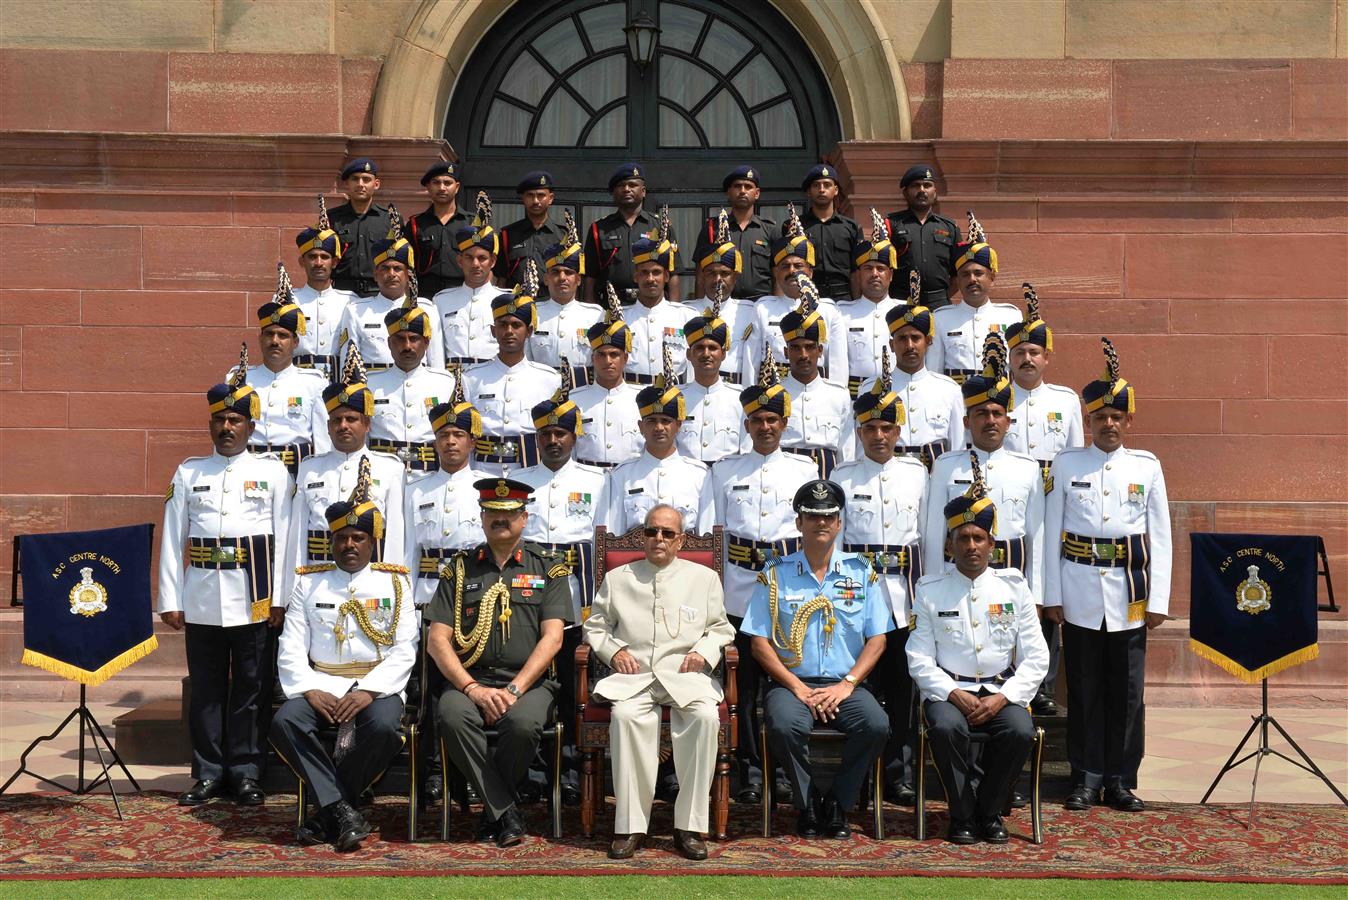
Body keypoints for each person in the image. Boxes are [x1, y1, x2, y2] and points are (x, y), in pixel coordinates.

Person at [159, 347, 291, 808]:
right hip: (202, 595)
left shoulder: (272, 473)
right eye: (220, 420)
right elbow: (173, 538)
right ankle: (209, 771)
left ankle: (248, 770)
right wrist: (169, 598)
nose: (227, 428)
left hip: (254, 595)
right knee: (207, 691)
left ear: (251, 427)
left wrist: (281, 597)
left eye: (236, 421)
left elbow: (287, 538)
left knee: (251, 691)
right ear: (211, 424)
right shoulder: (189, 471)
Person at [1044, 339, 1171, 813]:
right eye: (1100, 418)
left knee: (1128, 692)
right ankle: (1084, 775)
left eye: (1117, 417)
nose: (1109, 424)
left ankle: (1120, 779)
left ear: (1128, 421)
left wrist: (1159, 599)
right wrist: (1051, 595)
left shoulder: (1147, 466)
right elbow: (1051, 532)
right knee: (1083, 689)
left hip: (1130, 594)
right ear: (1089, 422)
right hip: (1077, 590)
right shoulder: (1067, 464)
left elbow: (1161, 536)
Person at [270, 457, 417, 851]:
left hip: (376, 685)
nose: (349, 545)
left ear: (373, 543)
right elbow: (291, 646)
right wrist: (307, 689)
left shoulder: (396, 583)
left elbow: (405, 649)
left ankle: (327, 811)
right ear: (330, 541)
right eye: (342, 538)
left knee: (386, 728)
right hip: (321, 682)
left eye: (358, 538)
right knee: (285, 722)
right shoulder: (308, 584)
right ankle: (343, 810)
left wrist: (368, 691)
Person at [906, 453, 1049, 844]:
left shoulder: (1013, 588)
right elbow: (918, 657)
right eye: (962, 538)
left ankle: (988, 810)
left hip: (1001, 691)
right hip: (949, 693)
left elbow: (1037, 657)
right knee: (946, 726)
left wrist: (1005, 698)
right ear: (949, 545)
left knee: (1020, 730)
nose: (971, 546)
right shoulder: (930, 591)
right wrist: (952, 693)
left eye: (978, 538)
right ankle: (962, 813)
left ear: (991, 544)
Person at [584, 504, 736, 861]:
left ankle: (689, 827)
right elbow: (596, 626)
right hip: (634, 677)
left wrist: (705, 651)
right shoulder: (619, 578)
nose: (659, 539)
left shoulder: (704, 579)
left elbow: (720, 628)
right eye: (652, 531)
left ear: (680, 540)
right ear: (643, 535)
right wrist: (614, 650)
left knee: (705, 718)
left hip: (683, 675)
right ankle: (630, 826)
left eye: (668, 533)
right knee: (625, 718)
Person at [742, 479, 893, 839]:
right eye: (812, 516)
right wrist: (798, 688)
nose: (821, 523)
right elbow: (759, 644)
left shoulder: (862, 573)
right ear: (799, 523)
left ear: (839, 523)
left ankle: (838, 802)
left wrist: (847, 684)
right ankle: (807, 804)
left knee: (876, 725)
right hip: (792, 685)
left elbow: (878, 640)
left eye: (829, 517)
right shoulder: (774, 575)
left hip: (846, 685)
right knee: (783, 726)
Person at [426, 478, 571, 846]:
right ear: (481, 516)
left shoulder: (549, 568)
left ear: (524, 518)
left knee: (523, 725)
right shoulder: (458, 570)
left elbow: (554, 638)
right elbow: (437, 640)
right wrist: (473, 689)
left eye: (508, 514)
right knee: (452, 717)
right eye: (492, 512)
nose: (499, 519)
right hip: (470, 680)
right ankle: (506, 811)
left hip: (529, 684)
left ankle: (494, 810)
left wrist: (512, 689)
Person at [710, 353, 816, 803]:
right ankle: (748, 771)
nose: (765, 427)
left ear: (784, 422)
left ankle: (788, 771)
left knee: (788, 685)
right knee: (742, 688)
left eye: (773, 419)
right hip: (737, 589)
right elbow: (712, 534)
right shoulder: (723, 470)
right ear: (746, 424)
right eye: (757, 420)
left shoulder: (806, 471)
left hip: (788, 592)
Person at [830, 349, 929, 804]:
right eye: (870, 428)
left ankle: (899, 772)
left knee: (903, 692)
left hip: (905, 597)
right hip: (857, 598)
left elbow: (926, 540)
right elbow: (835, 543)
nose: (878, 435)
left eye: (887, 427)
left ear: (898, 430)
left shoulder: (917, 474)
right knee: (861, 691)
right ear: (859, 431)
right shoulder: (844, 476)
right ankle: (863, 773)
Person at [516, 377, 609, 805]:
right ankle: (532, 769)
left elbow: (604, 546)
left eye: (561, 433)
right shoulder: (518, 482)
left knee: (576, 686)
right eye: (545, 434)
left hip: (576, 593)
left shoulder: (598, 481)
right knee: (530, 681)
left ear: (575, 437)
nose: (553, 440)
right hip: (527, 595)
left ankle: (572, 769)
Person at [401, 381, 489, 807]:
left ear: (472, 441)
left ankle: (471, 772)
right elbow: (404, 554)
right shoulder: (415, 490)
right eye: (442, 435)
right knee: (430, 692)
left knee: (470, 689)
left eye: (458, 435)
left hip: (475, 604)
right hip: (427, 598)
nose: (450, 442)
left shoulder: (489, 488)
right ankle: (435, 772)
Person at [1004, 284, 1083, 714]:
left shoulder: (1065, 401)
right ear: (1010, 357)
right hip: (1010, 502)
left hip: (1053, 502)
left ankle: (1045, 683)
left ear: (1046, 357)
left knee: (1046, 582)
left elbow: (1071, 458)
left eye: (1034, 352)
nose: (1027, 359)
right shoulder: (997, 398)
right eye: (1020, 352)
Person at [924, 336, 1045, 603]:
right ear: (967, 421)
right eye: (981, 414)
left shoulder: (1027, 468)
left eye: (996, 413)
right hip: (957, 583)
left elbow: (1037, 540)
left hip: (1014, 582)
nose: (990, 421)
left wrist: (1037, 598)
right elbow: (935, 534)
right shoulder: (946, 465)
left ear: (1008, 421)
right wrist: (932, 588)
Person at [287, 344, 405, 574]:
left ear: (367, 425)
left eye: (351, 419)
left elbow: (394, 538)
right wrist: (295, 585)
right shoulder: (310, 469)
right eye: (337, 420)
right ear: (328, 427)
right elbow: (297, 535)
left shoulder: (390, 468)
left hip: (370, 575)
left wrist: (391, 582)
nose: (343, 426)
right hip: (318, 574)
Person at [461, 263, 561, 474]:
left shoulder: (549, 379)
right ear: (493, 330)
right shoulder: (471, 378)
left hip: (529, 470)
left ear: (529, 331)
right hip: (484, 470)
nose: (509, 331)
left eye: (516, 325)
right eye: (503, 325)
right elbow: (465, 433)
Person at [605, 346, 715, 535]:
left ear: (678, 426)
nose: (659, 428)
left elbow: (707, 535)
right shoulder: (622, 475)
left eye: (666, 421)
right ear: (640, 427)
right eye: (651, 421)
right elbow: (614, 535)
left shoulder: (700, 475)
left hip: (686, 562)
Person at [855, 286, 964, 471]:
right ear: (891, 344)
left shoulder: (948, 390)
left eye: (916, 338)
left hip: (935, 472)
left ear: (928, 342)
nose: (910, 345)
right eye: (902, 339)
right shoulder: (871, 388)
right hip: (889, 473)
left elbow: (957, 449)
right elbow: (861, 448)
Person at [243, 263, 331, 478]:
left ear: (295, 342)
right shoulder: (241, 379)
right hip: (251, 474)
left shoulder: (314, 383)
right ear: (260, 339)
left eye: (282, 336)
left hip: (295, 473)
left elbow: (322, 441)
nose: (275, 341)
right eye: (269, 334)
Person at [743, 205, 847, 385]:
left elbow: (838, 366)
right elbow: (751, 363)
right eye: (785, 266)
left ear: (810, 272)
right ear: (776, 273)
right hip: (773, 394)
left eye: (798, 266)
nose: (792, 271)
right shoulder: (763, 309)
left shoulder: (829, 311)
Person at [334, 206, 445, 373]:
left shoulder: (426, 309)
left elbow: (435, 360)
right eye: (385, 268)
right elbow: (348, 363)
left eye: (397, 268)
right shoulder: (356, 310)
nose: (391, 274)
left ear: (408, 275)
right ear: (375, 274)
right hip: (373, 388)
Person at [367, 292, 457, 475]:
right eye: (400, 339)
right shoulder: (370, 384)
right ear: (389, 343)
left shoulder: (445, 383)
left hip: (428, 474)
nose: (407, 346)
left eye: (414, 339)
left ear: (426, 343)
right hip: (383, 475)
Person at [928, 212, 1021, 384]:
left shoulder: (1011, 316)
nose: (972, 279)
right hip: (958, 400)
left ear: (991, 277)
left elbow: (1018, 369)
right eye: (965, 274)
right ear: (958, 280)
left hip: (999, 401)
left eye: (979, 273)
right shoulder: (941, 318)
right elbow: (934, 372)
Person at [777, 275, 853, 479]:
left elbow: (846, 450)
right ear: (786, 352)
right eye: (796, 348)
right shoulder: (775, 395)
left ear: (820, 350)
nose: (803, 355)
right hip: (785, 474)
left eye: (809, 347)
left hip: (827, 474)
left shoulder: (838, 395)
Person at [568, 288, 642, 469]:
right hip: (587, 478)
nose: (608, 361)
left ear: (625, 358)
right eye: (601, 355)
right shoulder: (574, 400)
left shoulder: (640, 400)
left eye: (614, 354)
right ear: (593, 359)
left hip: (628, 480)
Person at [584, 163, 680, 302]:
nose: (626, 189)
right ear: (613, 192)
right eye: (621, 186)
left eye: (632, 185)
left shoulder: (661, 226)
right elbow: (590, 276)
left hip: (651, 306)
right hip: (611, 307)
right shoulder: (599, 229)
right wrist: (591, 313)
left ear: (643, 191)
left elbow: (673, 272)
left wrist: (673, 309)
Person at [529, 210, 601, 386]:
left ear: (578, 279)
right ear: (545, 279)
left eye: (568, 273)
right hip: (542, 388)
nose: (562, 278)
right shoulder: (532, 313)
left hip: (582, 389)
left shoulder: (595, 315)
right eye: (555, 272)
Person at [679, 284, 750, 463]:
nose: (706, 354)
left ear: (723, 353)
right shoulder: (675, 398)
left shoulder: (741, 398)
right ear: (689, 354)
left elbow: (747, 449)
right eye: (699, 348)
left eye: (713, 348)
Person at [623, 207, 694, 384]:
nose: (650, 279)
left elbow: (692, 367)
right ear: (635, 276)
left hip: (673, 395)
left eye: (656, 272)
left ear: (667, 276)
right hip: (632, 396)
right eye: (644, 272)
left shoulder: (686, 317)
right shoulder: (620, 318)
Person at [434, 191, 502, 367]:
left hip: (490, 379)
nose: (475, 264)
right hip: (452, 380)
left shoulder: (505, 300)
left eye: (482, 258)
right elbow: (435, 350)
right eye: (469, 257)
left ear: (492, 261)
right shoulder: (441, 301)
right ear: (459, 261)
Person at [837, 210, 900, 398]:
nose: (874, 274)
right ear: (859, 275)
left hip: (896, 394)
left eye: (880, 269)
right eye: (868, 268)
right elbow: (837, 365)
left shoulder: (905, 310)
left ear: (890, 275)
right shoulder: (841, 313)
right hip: (855, 397)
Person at [687, 210, 755, 384]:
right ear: (702, 277)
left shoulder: (749, 312)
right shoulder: (686, 312)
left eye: (724, 273)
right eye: (711, 273)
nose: (718, 279)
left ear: (735, 277)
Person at [292, 196, 357, 377]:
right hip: (299, 378)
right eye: (312, 257)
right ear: (301, 262)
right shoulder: (290, 299)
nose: (318, 263)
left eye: (324, 257)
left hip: (338, 379)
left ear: (335, 262)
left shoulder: (350, 301)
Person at [691, 167, 775, 299]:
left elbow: (778, 275)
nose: (742, 191)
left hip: (760, 304)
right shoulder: (713, 228)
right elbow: (701, 275)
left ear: (757, 193)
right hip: (722, 304)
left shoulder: (770, 229)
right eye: (737, 186)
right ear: (728, 192)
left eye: (748, 187)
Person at [884, 165, 960, 309]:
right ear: (905, 193)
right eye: (916, 186)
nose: (922, 190)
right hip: (901, 301)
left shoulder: (949, 227)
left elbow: (958, 273)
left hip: (939, 303)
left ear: (935, 192)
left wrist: (941, 297)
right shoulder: (891, 224)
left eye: (927, 185)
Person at [796, 164, 861, 302]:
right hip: (807, 295)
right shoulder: (796, 226)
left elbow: (856, 272)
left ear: (835, 190)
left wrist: (857, 303)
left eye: (827, 185)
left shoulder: (851, 227)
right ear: (808, 191)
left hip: (843, 297)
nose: (821, 190)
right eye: (816, 185)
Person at [497, 171, 567, 297]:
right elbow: (502, 278)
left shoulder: (564, 235)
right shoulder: (508, 235)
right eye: (530, 195)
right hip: (516, 306)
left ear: (550, 198)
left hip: (553, 304)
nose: (535, 201)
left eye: (541, 195)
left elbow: (573, 275)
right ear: (523, 198)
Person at [329, 157, 391, 297]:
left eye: (366, 179)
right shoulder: (331, 218)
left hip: (378, 292)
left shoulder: (389, 219)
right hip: (341, 292)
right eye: (355, 179)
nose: (360, 184)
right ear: (346, 184)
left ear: (376, 184)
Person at [408, 160, 470, 300]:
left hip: (461, 292)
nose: (442, 188)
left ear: (457, 187)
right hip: (424, 294)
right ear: (428, 187)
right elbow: (406, 265)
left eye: (447, 183)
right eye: (436, 183)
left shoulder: (471, 222)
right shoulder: (415, 224)